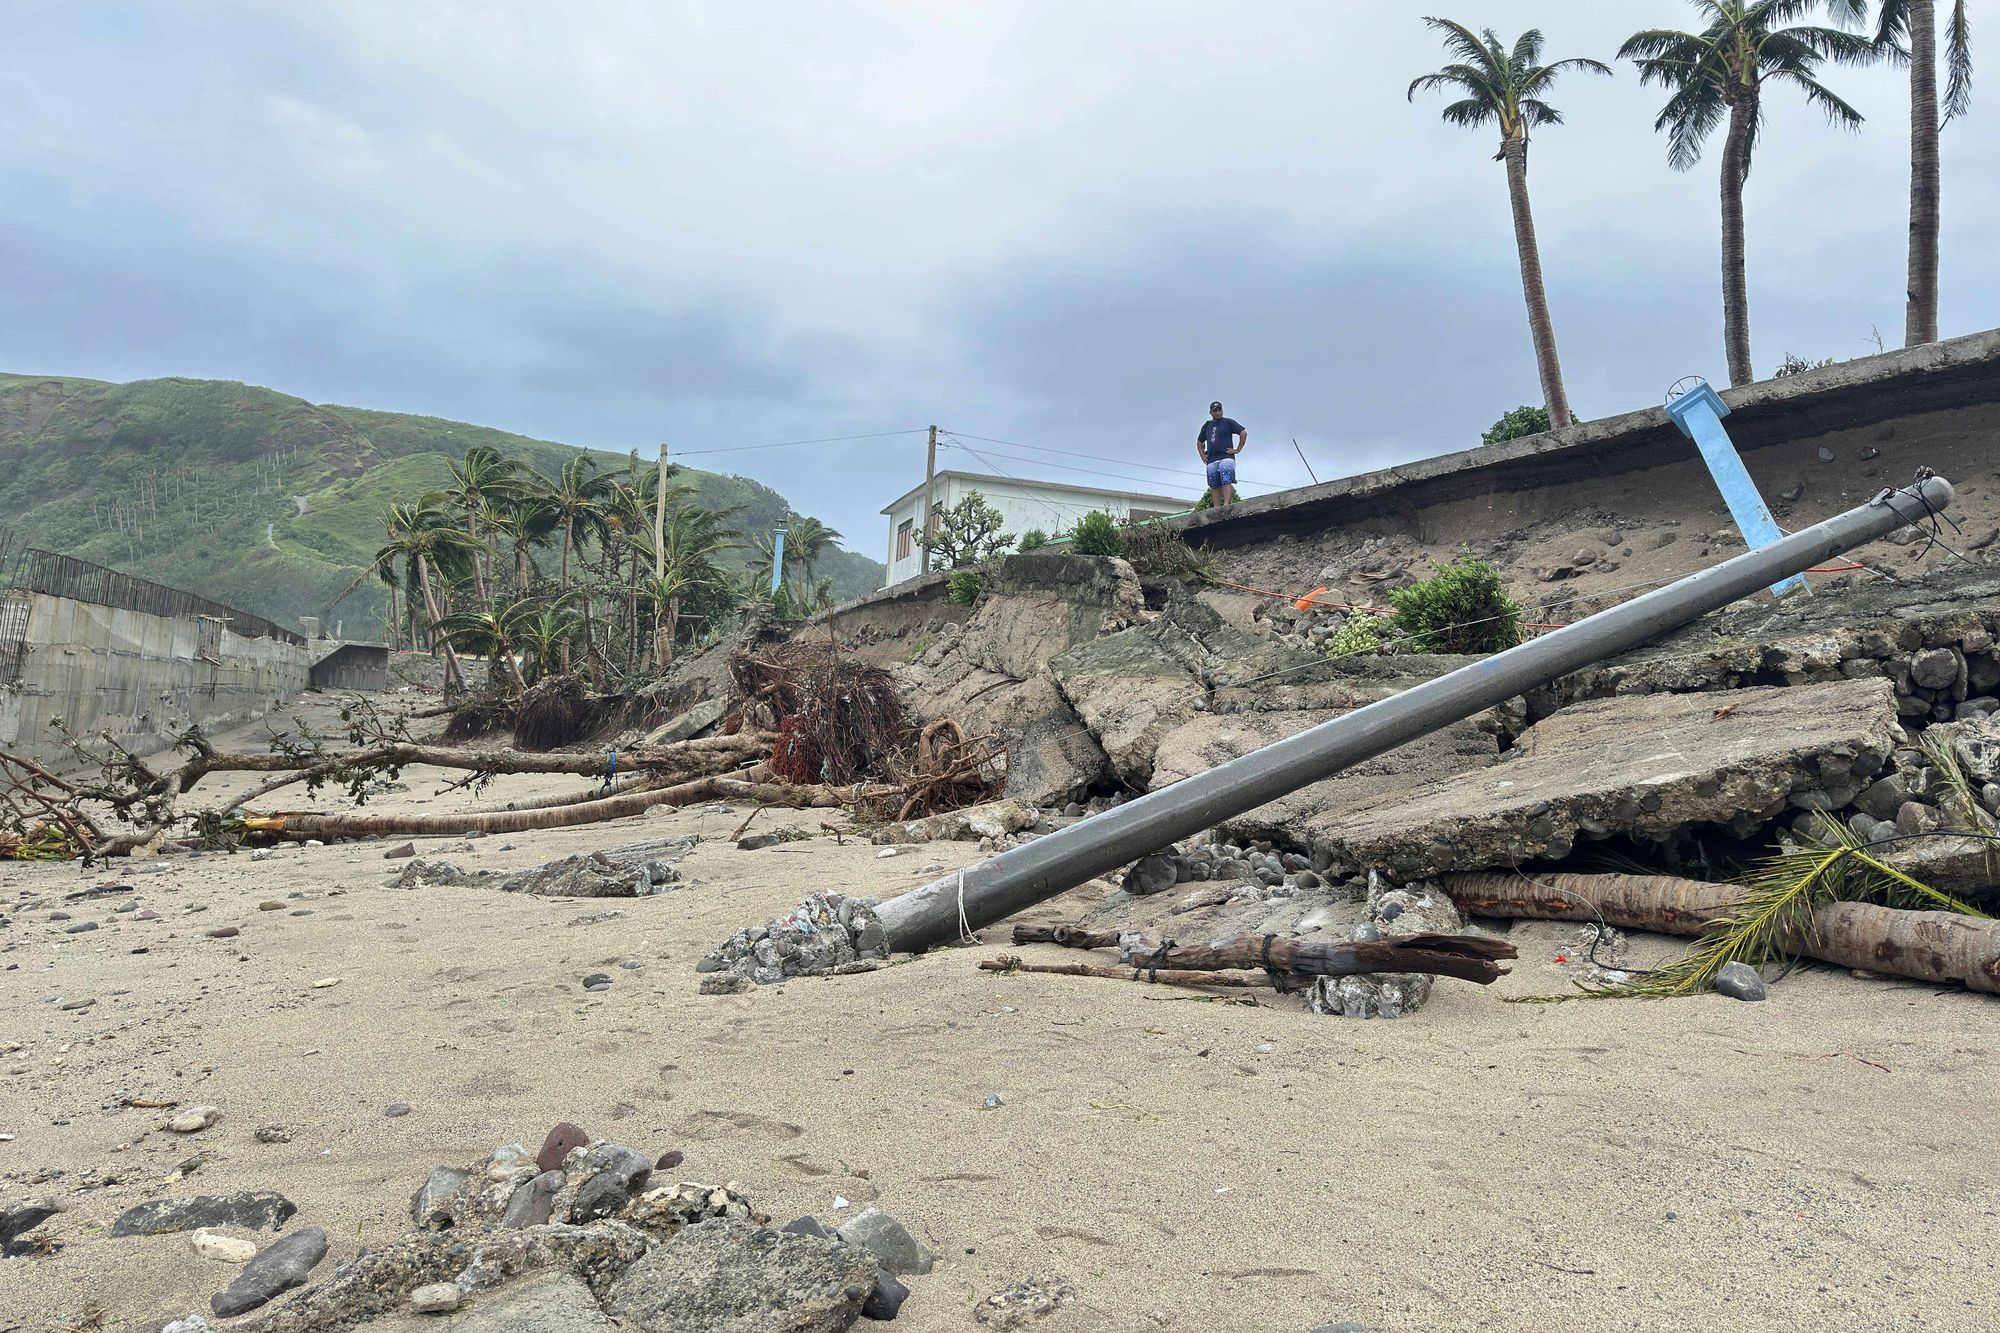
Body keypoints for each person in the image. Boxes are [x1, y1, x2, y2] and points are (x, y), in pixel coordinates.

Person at [1195, 400, 1246, 506]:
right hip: (1212, 459)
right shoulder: (1207, 425)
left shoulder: (1228, 422)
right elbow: (1199, 441)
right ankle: (1217, 507)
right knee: (1214, 484)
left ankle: (1226, 503)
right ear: (1211, 413)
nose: (1218, 413)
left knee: (1226, 479)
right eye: (1215, 411)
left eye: (1219, 410)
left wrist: (1237, 449)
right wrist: (1202, 455)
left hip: (1226, 456)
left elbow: (1243, 432)